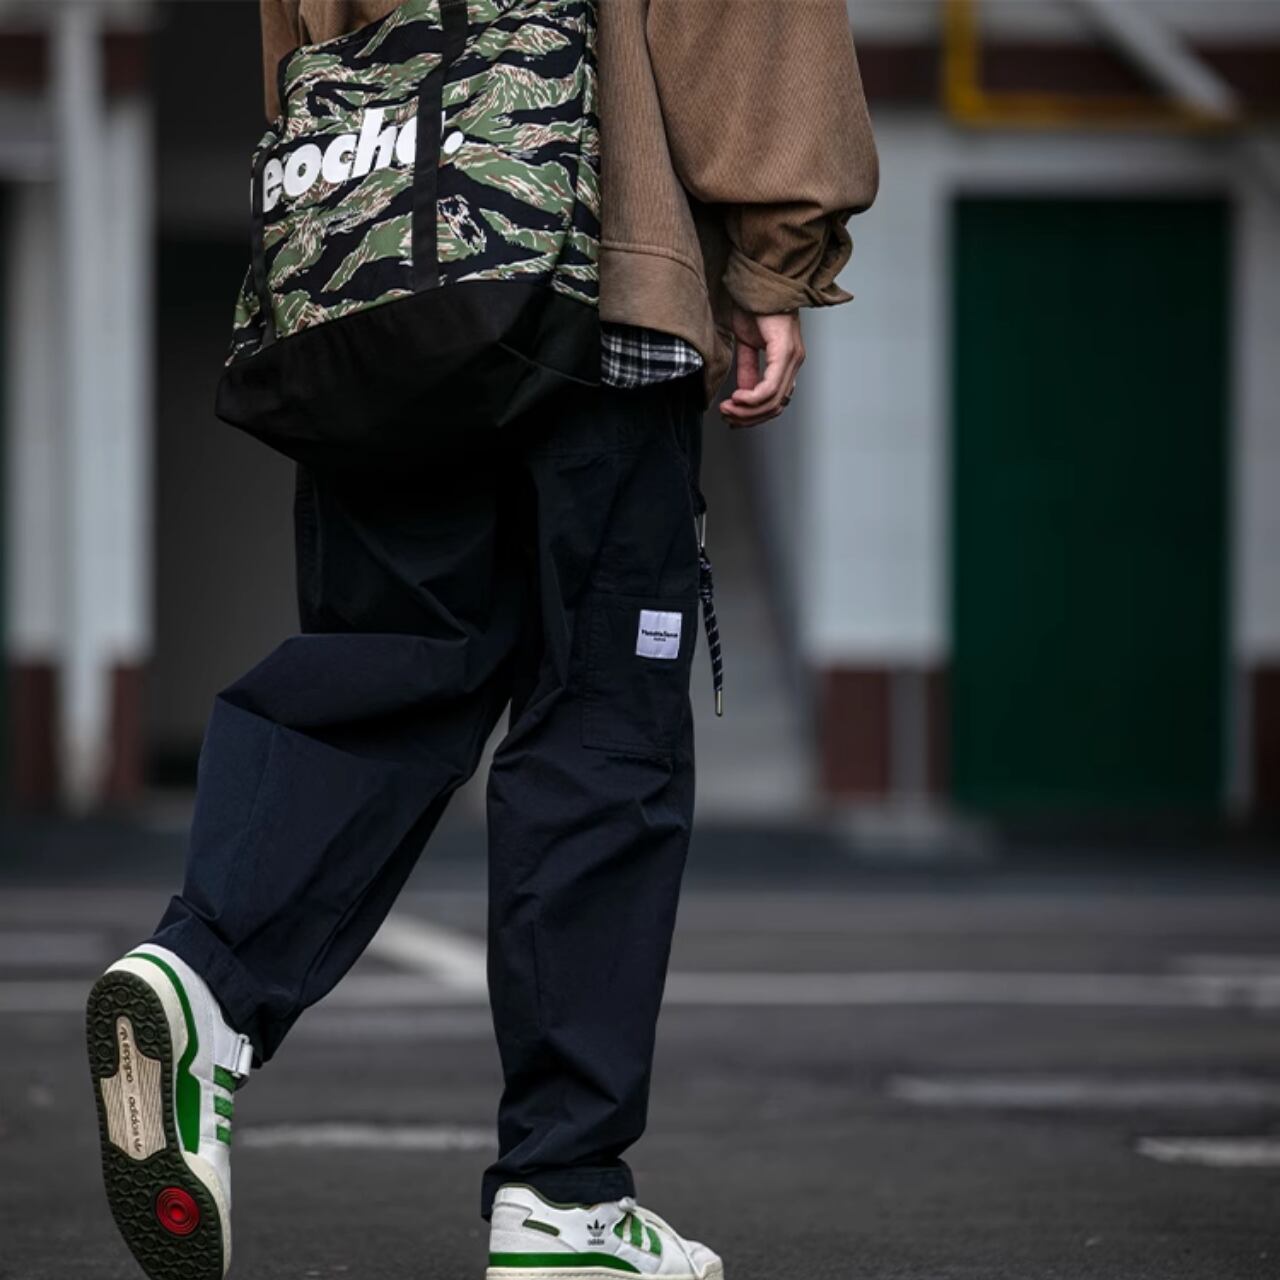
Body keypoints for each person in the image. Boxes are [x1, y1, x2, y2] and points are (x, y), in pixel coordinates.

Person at [86, 3, 878, 1278]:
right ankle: (563, 1193)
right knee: (598, 728)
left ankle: (204, 979)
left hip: (381, 288)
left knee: (384, 669)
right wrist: (775, 255)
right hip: (589, 284)